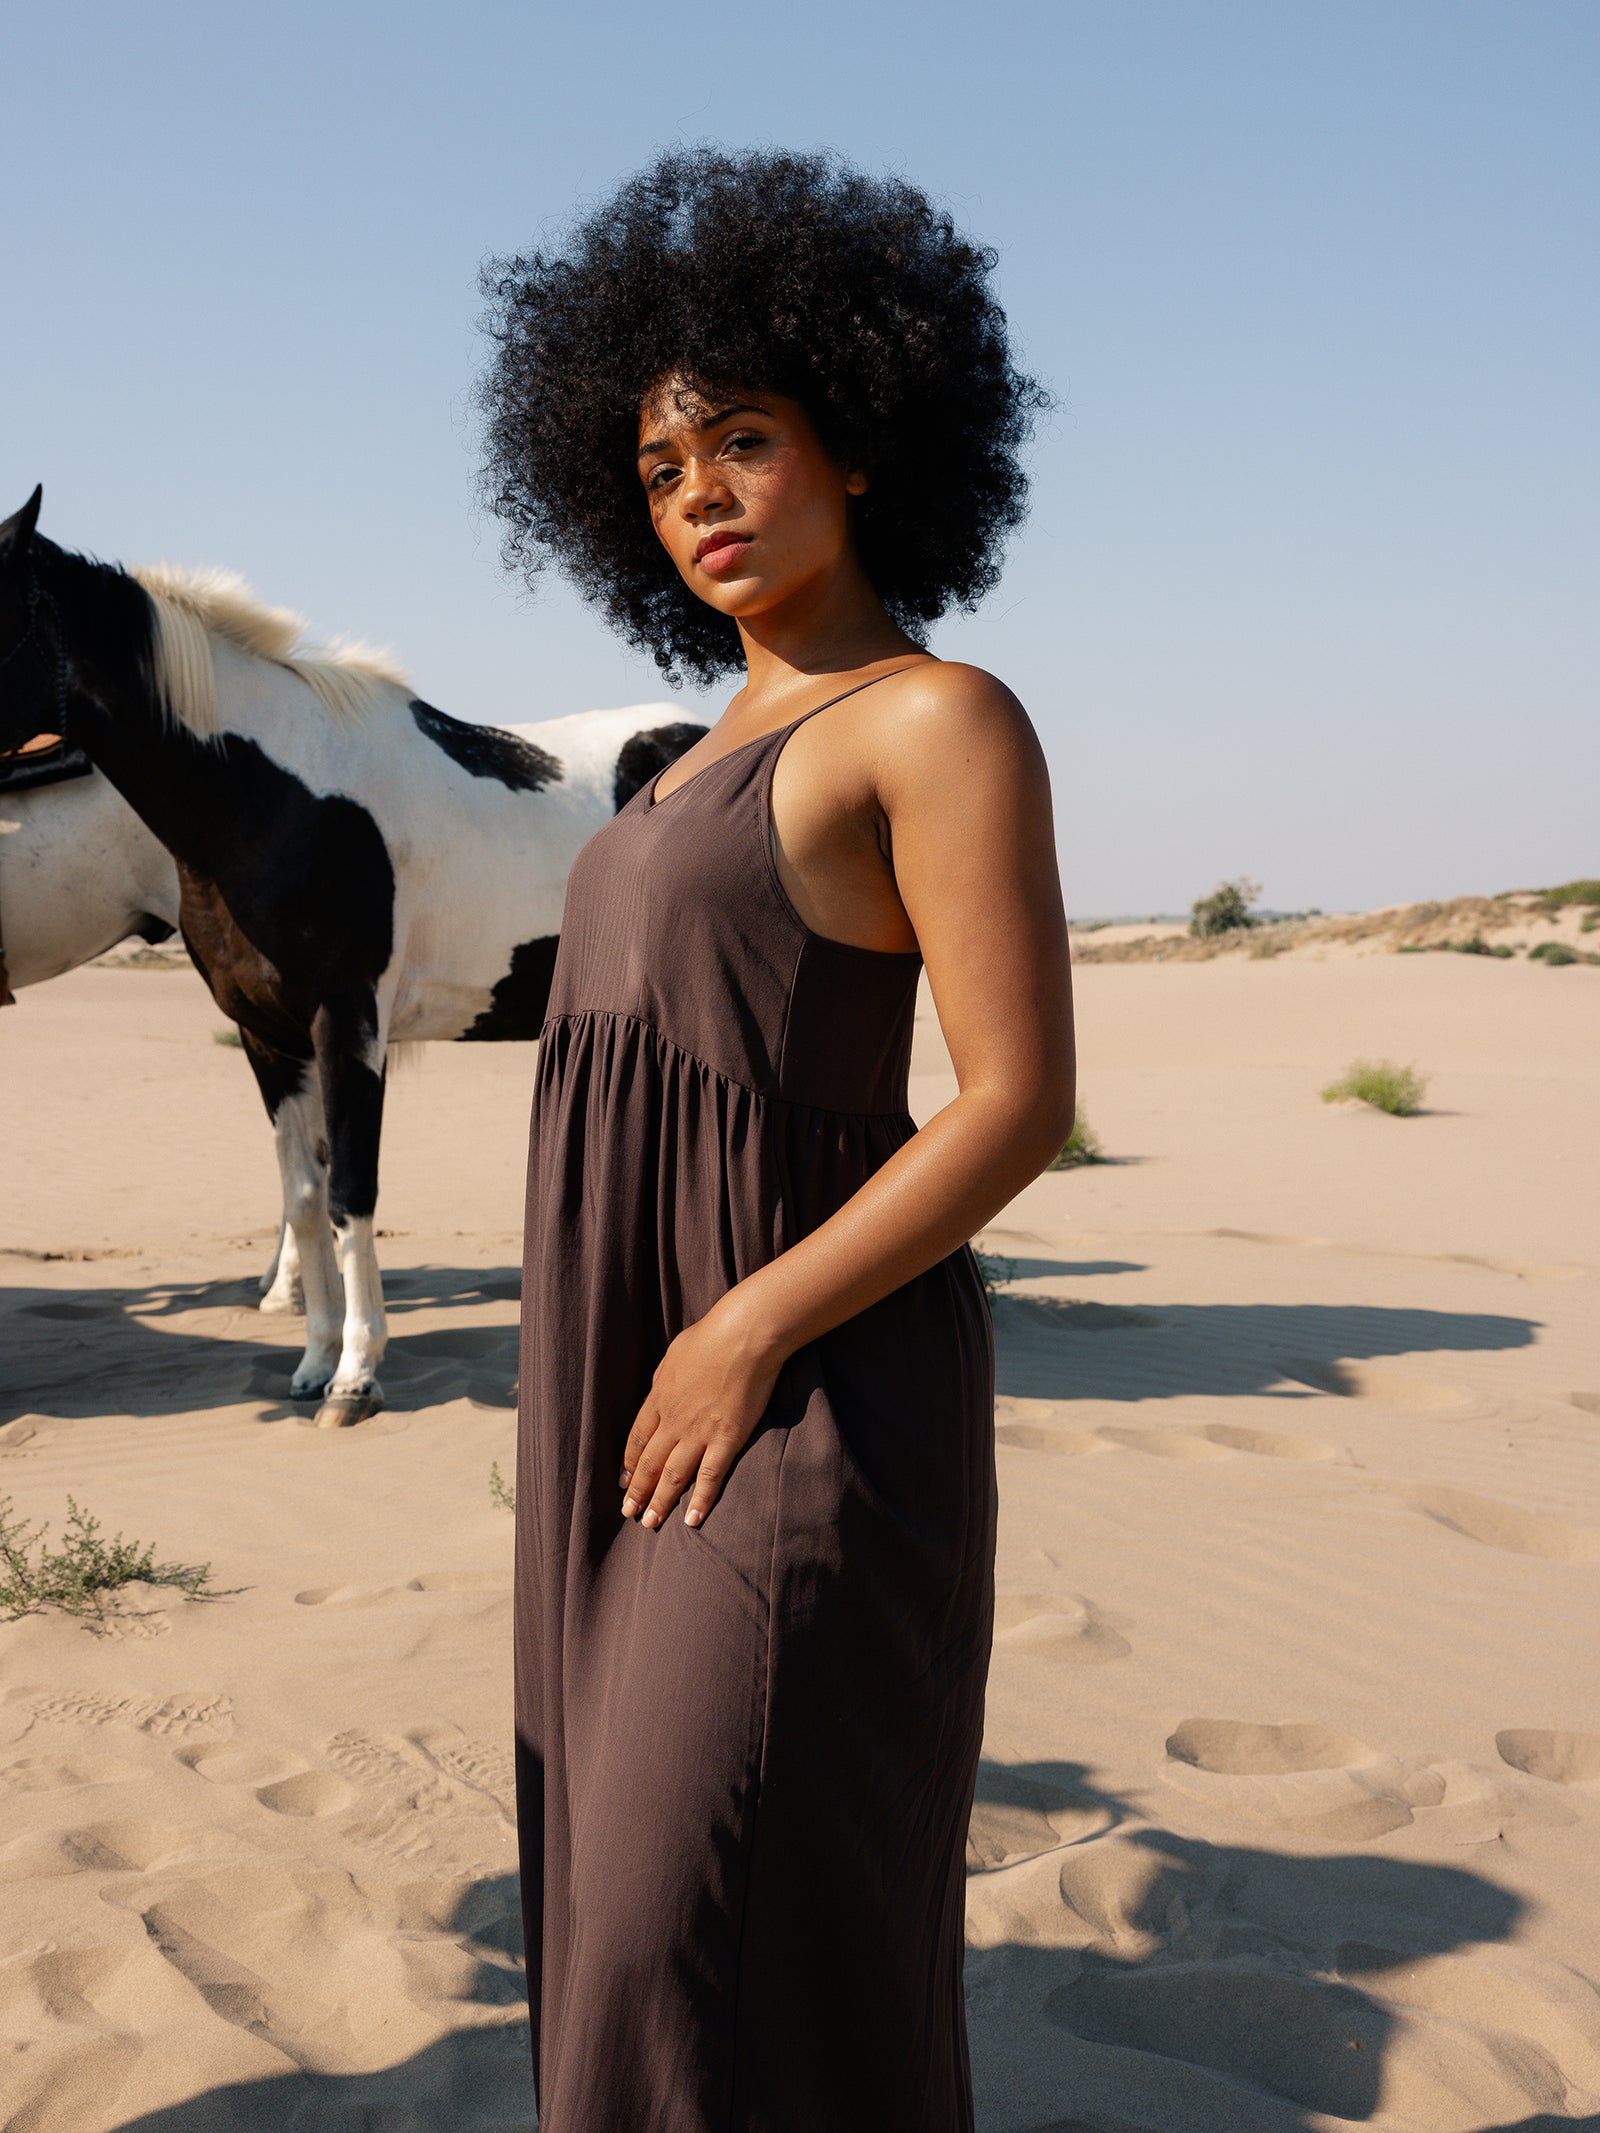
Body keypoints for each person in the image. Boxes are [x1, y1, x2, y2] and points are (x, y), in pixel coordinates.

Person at [478, 146, 1075, 2133]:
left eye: (743, 439)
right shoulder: (670, 773)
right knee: (645, 1913)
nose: (701, 496)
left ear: (867, 442)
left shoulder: (932, 718)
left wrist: (743, 1326)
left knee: (685, 1922)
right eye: (659, 468)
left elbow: (1010, 1099)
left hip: (808, 1392)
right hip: (623, 1398)